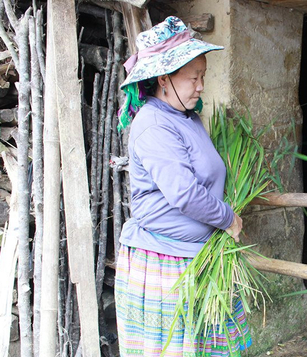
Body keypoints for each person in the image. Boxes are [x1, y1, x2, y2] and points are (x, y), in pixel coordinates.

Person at [114, 16, 251, 356]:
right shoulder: (153, 124)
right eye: (194, 78)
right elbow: (185, 193)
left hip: (197, 258)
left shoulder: (187, 118)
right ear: (164, 79)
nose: (201, 86)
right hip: (165, 263)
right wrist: (229, 218)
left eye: (203, 76)